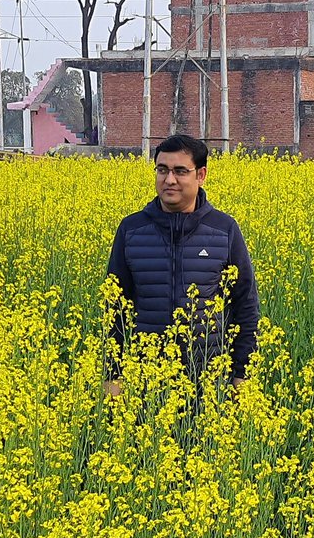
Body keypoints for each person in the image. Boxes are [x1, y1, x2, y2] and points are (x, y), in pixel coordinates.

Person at [104, 134, 260, 399]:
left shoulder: (224, 230)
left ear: (201, 175)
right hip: (146, 380)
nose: (169, 180)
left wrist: (241, 374)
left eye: (180, 171)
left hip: (209, 381)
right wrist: (112, 375)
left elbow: (246, 306)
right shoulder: (132, 230)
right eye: (162, 170)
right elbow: (114, 308)